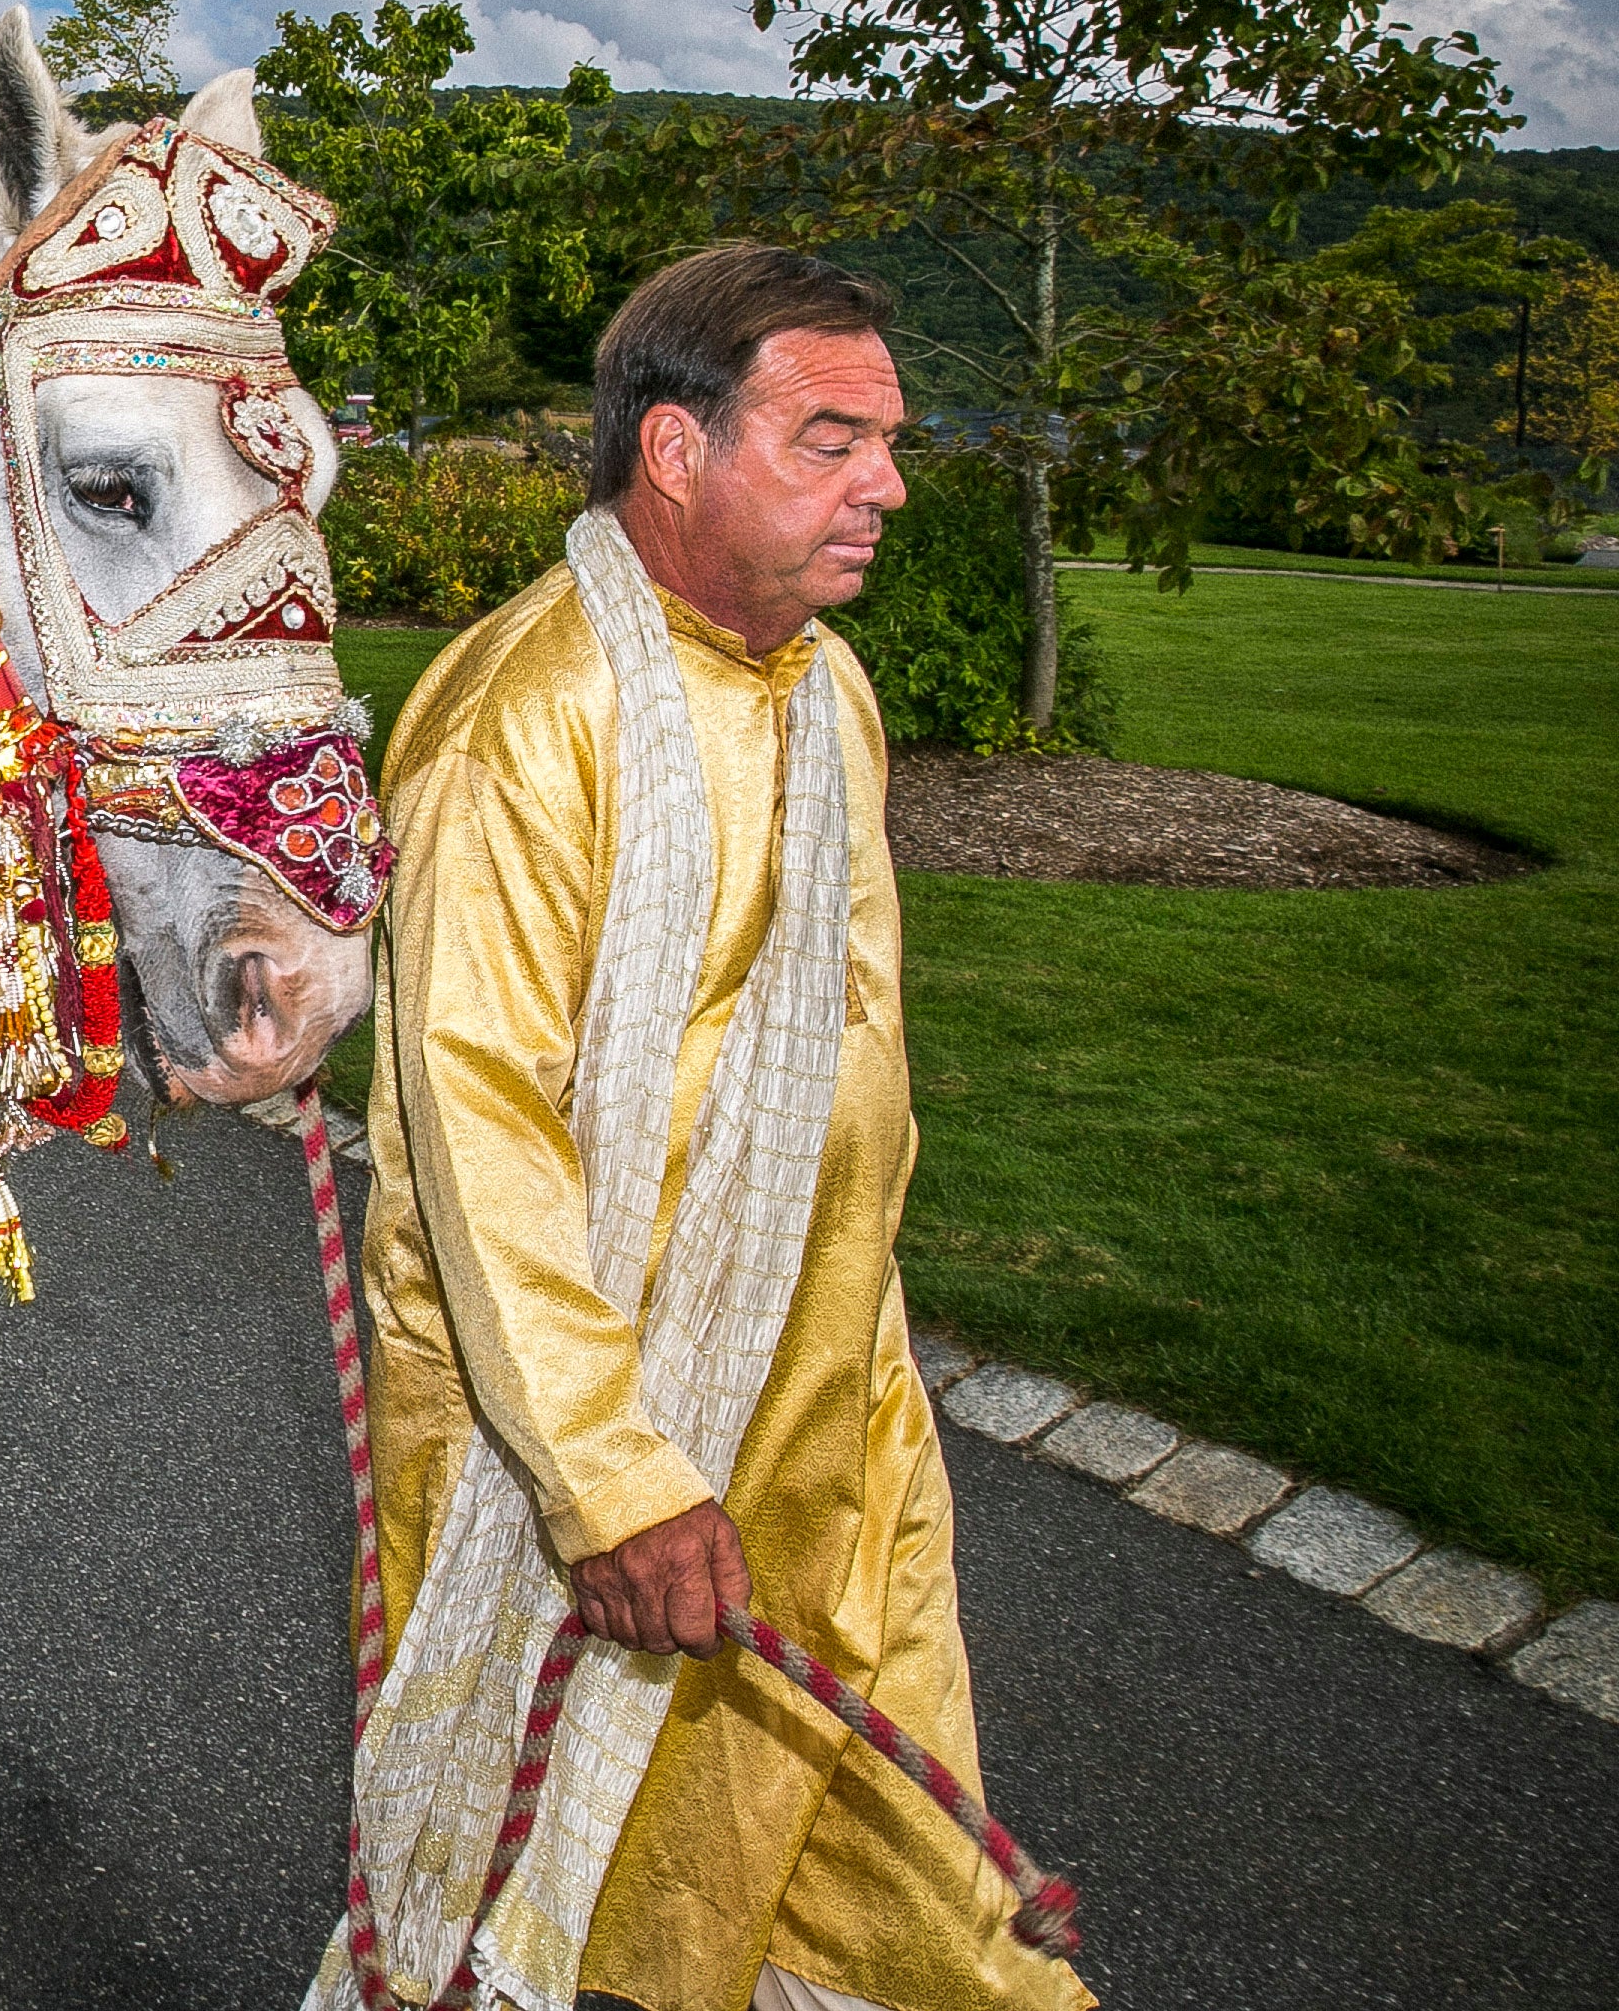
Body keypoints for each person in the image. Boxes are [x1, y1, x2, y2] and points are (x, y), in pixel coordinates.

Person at [323, 246, 1090, 2011]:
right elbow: (475, 1129)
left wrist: (862, 1342)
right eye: (832, 441)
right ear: (675, 450)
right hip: (600, 1439)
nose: (888, 486)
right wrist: (611, 1483)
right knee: (530, 1888)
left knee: (909, 1910)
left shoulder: (826, 689)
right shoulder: (529, 716)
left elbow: (858, 1045)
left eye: (888, 443)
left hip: (832, 1411)